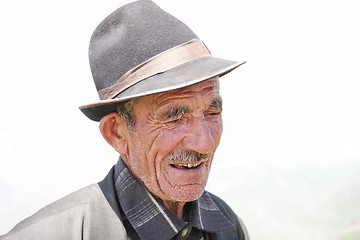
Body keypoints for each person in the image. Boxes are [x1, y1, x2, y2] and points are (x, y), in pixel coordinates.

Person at [0, 0, 249, 239]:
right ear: (117, 133)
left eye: (212, 113)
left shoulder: (229, 227)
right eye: (174, 117)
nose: (205, 143)